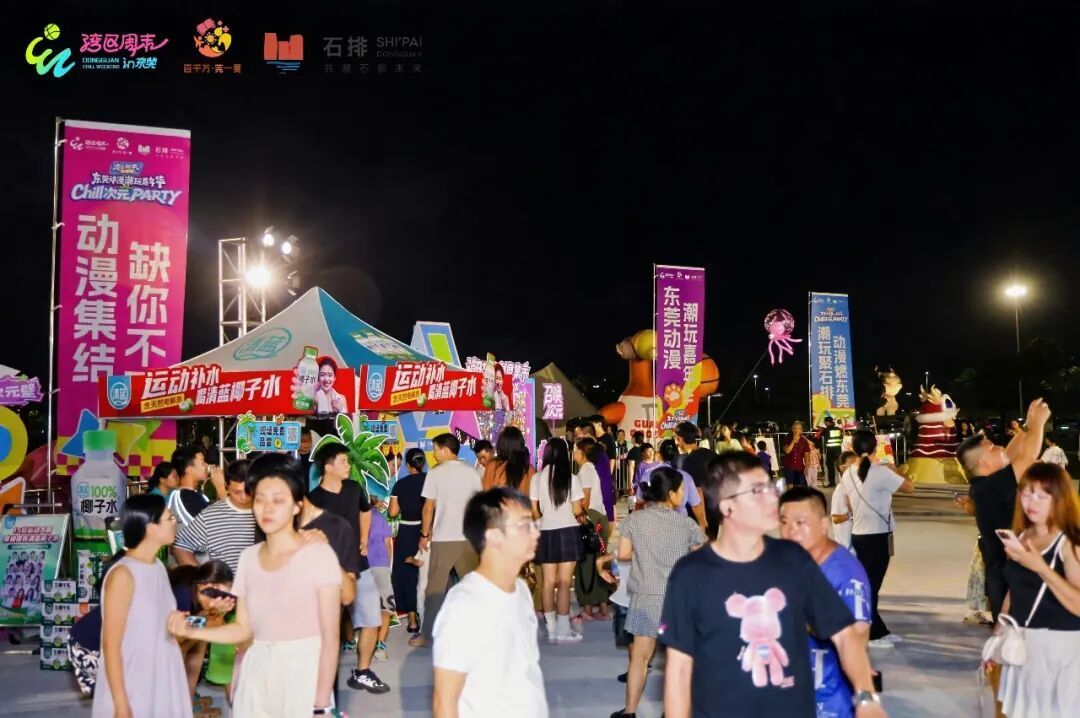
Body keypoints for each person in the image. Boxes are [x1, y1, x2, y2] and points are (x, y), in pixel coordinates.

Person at [659, 452, 887, 718]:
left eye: (771, 487)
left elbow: (845, 635)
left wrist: (866, 697)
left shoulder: (793, 560)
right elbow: (679, 668)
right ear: (727, 506)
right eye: (758, 491)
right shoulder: (690, 575)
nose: (772, 499)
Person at [167, 454, 341, 718]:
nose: (266, 509)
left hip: (302, 674)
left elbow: (330, 637)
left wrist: (322, 704)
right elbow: (242, 629)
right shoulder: (249, 558)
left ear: (297, 506)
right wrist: (191, 629)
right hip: (256, 672)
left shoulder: (318, 555)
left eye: (277, 500)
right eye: (259, 499)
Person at [432, 487, 547, 718]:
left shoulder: (521, 590)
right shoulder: (464, 606)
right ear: (494, 536)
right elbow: (444, 702)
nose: (536, 533)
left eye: (534, 524)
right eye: (525, 525)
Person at [608, 466, 705, 718]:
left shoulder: (635, 520)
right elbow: (703, 556)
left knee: (639, 659)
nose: (684, 493)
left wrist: (645, 555)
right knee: (677, 660)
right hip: (678, 599)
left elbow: (624, 554)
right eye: (681, 489)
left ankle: (630, 712)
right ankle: (672, 711)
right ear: (671, 494)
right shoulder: (686, 524)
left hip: (645, 598)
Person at [990, 461, 1080, 716]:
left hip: (1059, 650)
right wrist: (999, 631)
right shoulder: (1023, 535)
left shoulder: (1070, 542)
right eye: (1027, 493)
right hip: (1022, 646)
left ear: (1059, 499)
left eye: (1042, 495)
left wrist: (1040, 567)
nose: (1032, 502)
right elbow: (1014, 588)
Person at [93, 494, 191, 718]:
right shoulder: (123, 575)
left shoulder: (158, 567)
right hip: (133, 680)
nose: (175, 522)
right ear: (150, 528)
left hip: (162, 675)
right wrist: (121, 704)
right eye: (169, 518)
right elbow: (111, 644)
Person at [780, 487, 873, 718]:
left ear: (824, 525)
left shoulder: (844, 575)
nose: (791, 531)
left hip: (829, 703)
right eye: (784, 522)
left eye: (801, 523)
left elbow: (857, 636)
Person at [308, 442, 389, 694]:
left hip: (360, 567)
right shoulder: (313, 500)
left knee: (372, 620)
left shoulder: (354, 489)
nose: (348, 465)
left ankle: (362, 671)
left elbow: (365, 511)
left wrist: (364, 538)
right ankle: (319, 680)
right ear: (328, 467)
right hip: (327, 574)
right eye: (343, 461)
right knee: (325, 628)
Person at [958, 398, 1049, 620]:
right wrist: (1038, 422)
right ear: (982, 462)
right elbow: (1027, 457)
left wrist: (1027, 426)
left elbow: (1009, 453)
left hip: (1009, 576)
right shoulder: (991, 486)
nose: (999, 447)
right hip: (1012, 581)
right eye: (991, 448)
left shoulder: (984, 485)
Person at [834, 431, 914, 647]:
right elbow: (910, 488)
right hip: (877, 536)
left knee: (868, 584)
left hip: (859, 535)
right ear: (875, 448)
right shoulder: (881, 472)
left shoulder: (847, 474)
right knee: (870, 586)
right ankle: (870, 634)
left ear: (852, 449)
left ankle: (878, 630)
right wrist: (894, 469)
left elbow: (849, 505)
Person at [414, 433, 483, 649]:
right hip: (468, 538)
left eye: (435, 449)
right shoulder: (472, 473)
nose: (433, 454)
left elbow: (428, 508)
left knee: (435, 589)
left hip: (443, 538)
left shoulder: (435, 473)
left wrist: (424, 535)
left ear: (445, 449)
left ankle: (428, 634)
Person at [530, 437, 586, 644]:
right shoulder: (572, 478)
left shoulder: (537, 478)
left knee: (547, 583)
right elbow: (577, 510)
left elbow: (534, 511)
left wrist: (544, 520)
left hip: (546, 532)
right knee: (564, 583)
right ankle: (563, 630)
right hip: (568, 531)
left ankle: (552, 629)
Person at [174, 459, 256, 573]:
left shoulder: (268, 512)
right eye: (237, 492)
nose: (243, 497)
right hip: (226, 583)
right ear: (227, 486)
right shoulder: (210, 515)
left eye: (248, 491)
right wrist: (202, 577)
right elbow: (181, 545)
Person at [573, 438, 613, 622]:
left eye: (575, 449)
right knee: (599, 562)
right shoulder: (590, 469)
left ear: (582, 452)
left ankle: (588, 609)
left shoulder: (586, 470)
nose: (573, 453)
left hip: (591, 518)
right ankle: (603, 609)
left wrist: (578, 517)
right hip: (599, 516)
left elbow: (585, 501)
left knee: (587, 565)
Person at [390, 447, 427, 633]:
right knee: (428, 574)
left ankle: (412, 620)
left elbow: (393, 512)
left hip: (406, 530)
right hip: (428, 531)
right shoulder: (431, 481)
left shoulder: (400, 484)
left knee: (406, 574)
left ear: (407, 464)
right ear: (423, 463)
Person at [638, 439, 707, 532]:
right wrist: (702, 525)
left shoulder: (649, 474)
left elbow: (639, 499)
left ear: (659, 455)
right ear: (677, 455)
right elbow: (696, 505)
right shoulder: (685, 476)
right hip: (680, 526)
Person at [676, 421, 717, 536]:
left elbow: (698, 491)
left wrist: (702, 523)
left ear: (680, 439)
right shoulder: (711, 454)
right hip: (714, 510)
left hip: (700, 515)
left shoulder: (690, 461)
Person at [168, 445, 225, 529]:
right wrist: (220, 486)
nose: (206, 465)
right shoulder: (193, 498)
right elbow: (224, 522)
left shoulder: (175, 494)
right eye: (202, 462)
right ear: (189, 469)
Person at [367, 506, 396, 662]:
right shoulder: (379, 517)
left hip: (361, 566)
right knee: (385, 606)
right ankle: (380, 646)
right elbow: (387, 544)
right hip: (380, 564)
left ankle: (351, 642)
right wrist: (388, 565)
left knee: (361, 606)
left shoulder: (352, 514)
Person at [481, 426, 536, 493]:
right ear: (521, 445)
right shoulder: (530, 470)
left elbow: (485, 494)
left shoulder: (492, 467)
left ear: (500, 444)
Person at [831, 451, 859, 549]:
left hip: (857, 543)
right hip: (846, 546)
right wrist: (852, 515)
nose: (856, 468)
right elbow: (835, 519)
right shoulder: (841, 489)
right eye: (852, 465)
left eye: (857, 464)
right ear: (842, 468)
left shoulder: (858, 487)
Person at [783, 422, 811, 488]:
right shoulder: (787, 439)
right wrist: (793, 440)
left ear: (801, 430)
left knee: (800, 486)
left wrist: (806, 466)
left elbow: (807, 455)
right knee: (790, 486)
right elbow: (787, 451)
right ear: (792, 429)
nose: (797, 430)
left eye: (799, 428)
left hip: (799, 467)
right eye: (795, 428)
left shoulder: (804, 441)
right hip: (789, 467)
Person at [820, 417, 845, 487]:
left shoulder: (826, 430)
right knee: (840, 467)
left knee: (830, 468)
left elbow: (821, 439)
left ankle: (832, 482)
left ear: (827, 422)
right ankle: (843, 482)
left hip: (830, 451)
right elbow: (841, 439)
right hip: (838, 451)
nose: (825, 423)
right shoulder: (838, 429)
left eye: (825, 422)